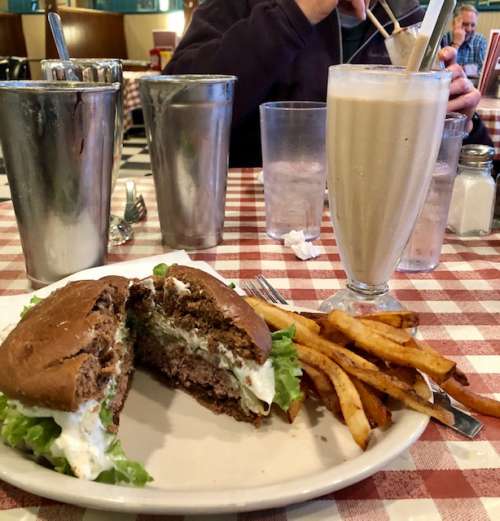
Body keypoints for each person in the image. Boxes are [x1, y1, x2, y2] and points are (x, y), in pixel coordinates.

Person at [165, 0, 490, 167]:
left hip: (373, 219)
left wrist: (459, 121)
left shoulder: (409, 21)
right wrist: (296, 13)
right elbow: (174, 111)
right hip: (255, 219)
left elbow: (464, 167)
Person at [442, 4, 488, 79]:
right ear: (454, 24)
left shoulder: (480, 41)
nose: (469, 29)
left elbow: (482, 71)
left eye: (473, 25)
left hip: (472, 87)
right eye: (465, 24)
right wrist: (456, 44)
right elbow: (443, 73)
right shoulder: (444, 40)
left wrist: (462, 69)